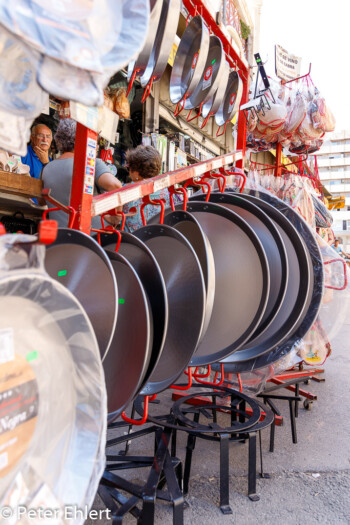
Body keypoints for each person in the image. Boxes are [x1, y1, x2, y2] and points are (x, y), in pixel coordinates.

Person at [42, 119, 122, 229]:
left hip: (59, 236)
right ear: (85, 139)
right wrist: (115, 217)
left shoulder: (46, 168)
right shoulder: (91, 163)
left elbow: (41, 201)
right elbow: (115, 185)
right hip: (93, 237)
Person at [123, 145, 176, 232]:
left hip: (132, 242)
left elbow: (115, 219)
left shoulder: (125, 190)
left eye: (129, 167)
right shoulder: (168, 192)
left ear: (136, 173)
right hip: (157, 239)